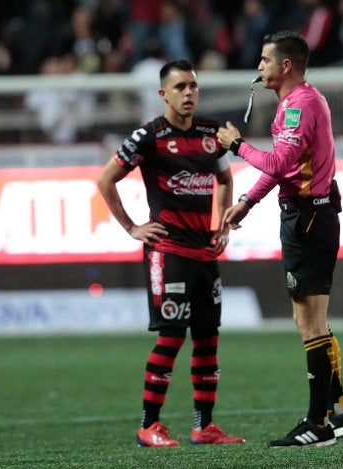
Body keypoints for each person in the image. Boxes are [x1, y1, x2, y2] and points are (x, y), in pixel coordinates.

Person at [216, 30, 343, 448]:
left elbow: (279, 161)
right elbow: (283, 168)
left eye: (264, 60)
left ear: (285, 66)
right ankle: (341, 413)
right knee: (311, 320)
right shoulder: (298, 102)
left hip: (308, 219)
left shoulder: (300, 105)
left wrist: (237, 145)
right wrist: (247, 200)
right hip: (307, 215)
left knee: (310, 322)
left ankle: (319, 424)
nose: (258, 67)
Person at [97, 59, 244, 448]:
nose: (189, 93)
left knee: (208, 338)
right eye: (180, 87)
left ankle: (204, 426)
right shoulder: (149, 136)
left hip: (205, 252)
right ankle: (149, 425)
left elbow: (225, 178)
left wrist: (223, 224)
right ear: (163, 94)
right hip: (169, 252)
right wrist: (132, 228)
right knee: (171, 337)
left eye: (193, 86)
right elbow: (105, 179)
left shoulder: (213, 134)